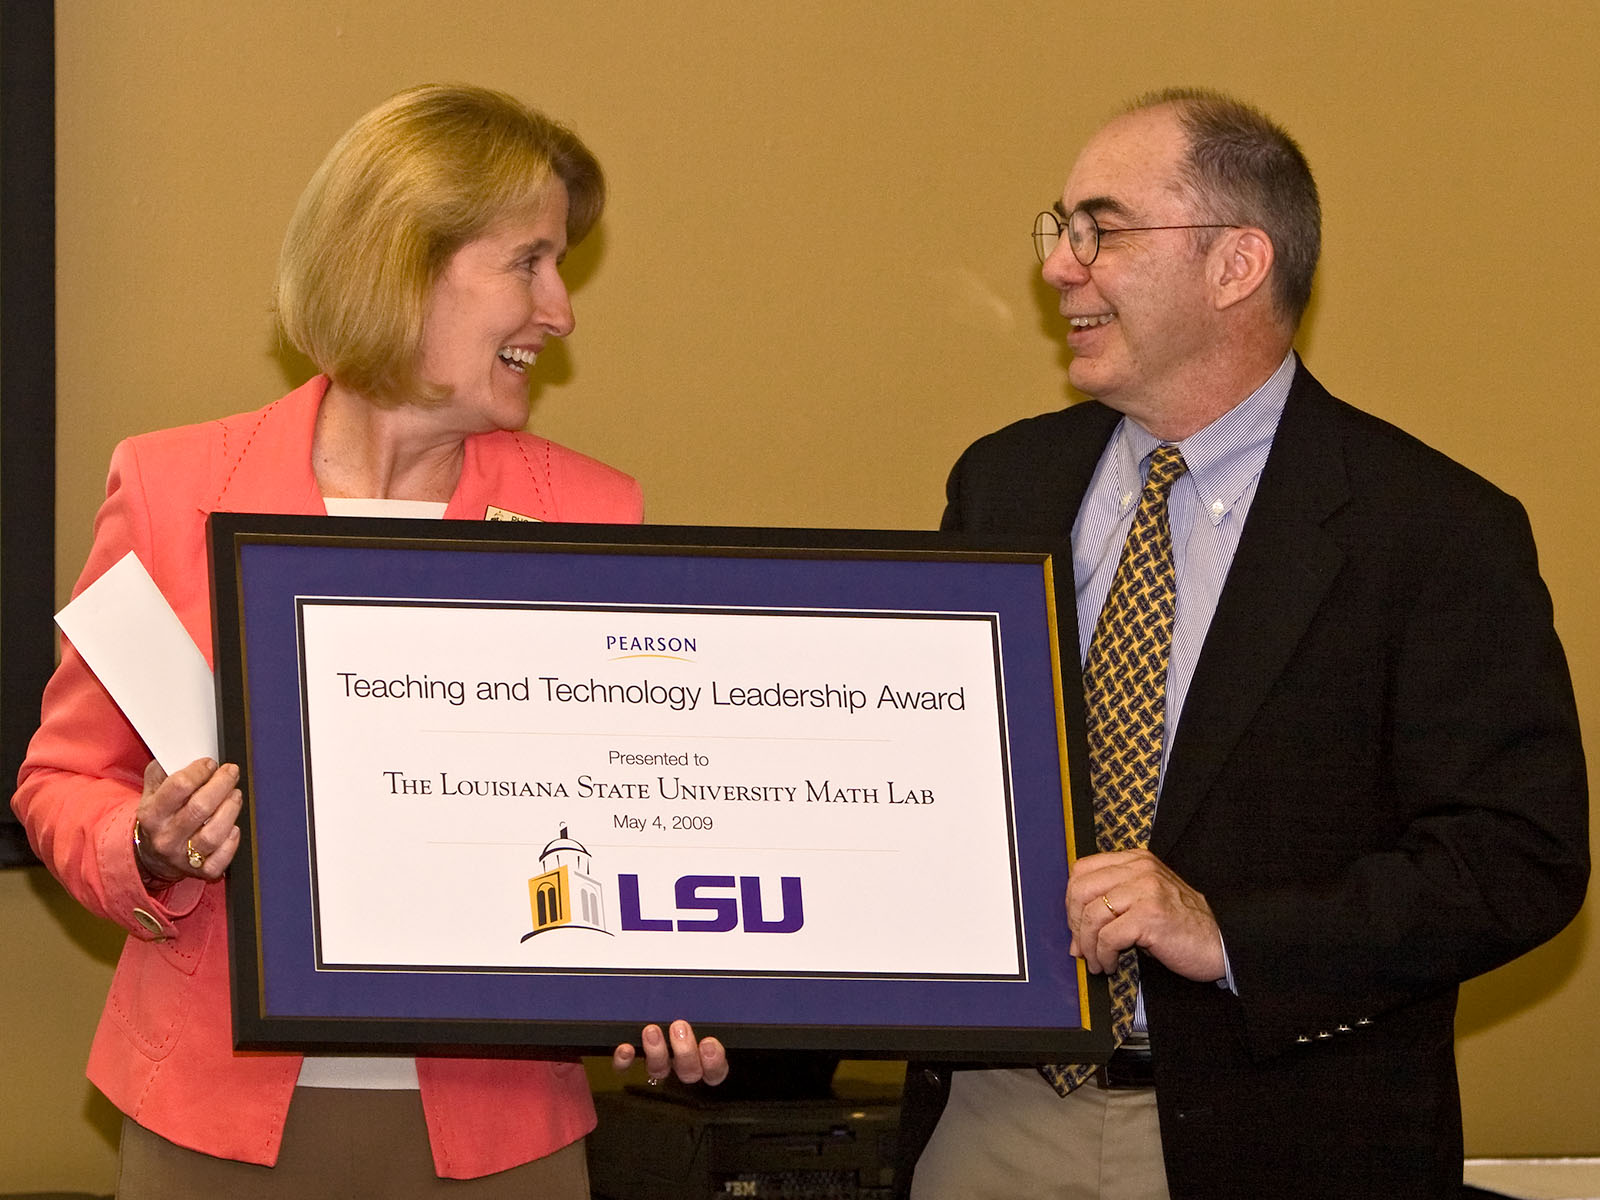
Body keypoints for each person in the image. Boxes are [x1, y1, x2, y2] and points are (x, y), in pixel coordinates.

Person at [13, 84, 726, 1198]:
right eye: (530, 263)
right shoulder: (171, 486)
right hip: (214, 1116)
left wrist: (684, 982)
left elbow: (645, 808)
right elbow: (61, 780)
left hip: (497, 1134)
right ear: (407, 260)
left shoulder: (594, 512)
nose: (561, 311)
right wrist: (146, 843)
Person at [899, 88, 1588, 1200]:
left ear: (1236, 265)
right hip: (991, 1121)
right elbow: (929, 797)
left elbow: (1516, 858)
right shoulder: (1002, 482)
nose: (1060, 267)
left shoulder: (1432, 527)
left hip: (1281, 1138)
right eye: (1059, 229)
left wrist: (1228, 936)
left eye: (1101, 230)